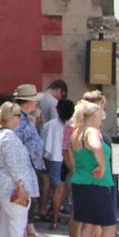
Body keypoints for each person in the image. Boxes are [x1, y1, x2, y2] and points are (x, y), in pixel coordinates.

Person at [69, 101, 119, 237]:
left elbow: (71, 156)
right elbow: (96, 146)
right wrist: (102, 165)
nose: (103, 116)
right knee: (109, 225)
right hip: (96, 183)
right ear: (93, 116)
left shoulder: (76, 132)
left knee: (89, 224)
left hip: (80, 181)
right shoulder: (92, 131)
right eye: (101, 113)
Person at [0, 101, 39, 237]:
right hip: (12, 185)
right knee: (18, 221)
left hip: (2, 183)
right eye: (18, 115)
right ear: (13, 117)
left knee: (5, 219)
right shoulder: (9, 136)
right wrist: (21, 185)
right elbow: (13, 163)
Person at [9, 84, 48, 237]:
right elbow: (16, 141)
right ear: (28, 102)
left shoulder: (25, 118)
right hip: (25, 164)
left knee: (27, 202)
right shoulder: (20, 120)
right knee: (23, 203)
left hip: (30, 164)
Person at [43, 98, 72, 230]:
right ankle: (61, 211)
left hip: (55, 158)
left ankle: (54, 220)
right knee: (65, 187)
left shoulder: (50, 125)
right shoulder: (73, 126)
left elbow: (44, 144)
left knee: (57, 190)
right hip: (70, 158)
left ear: (57, 110)